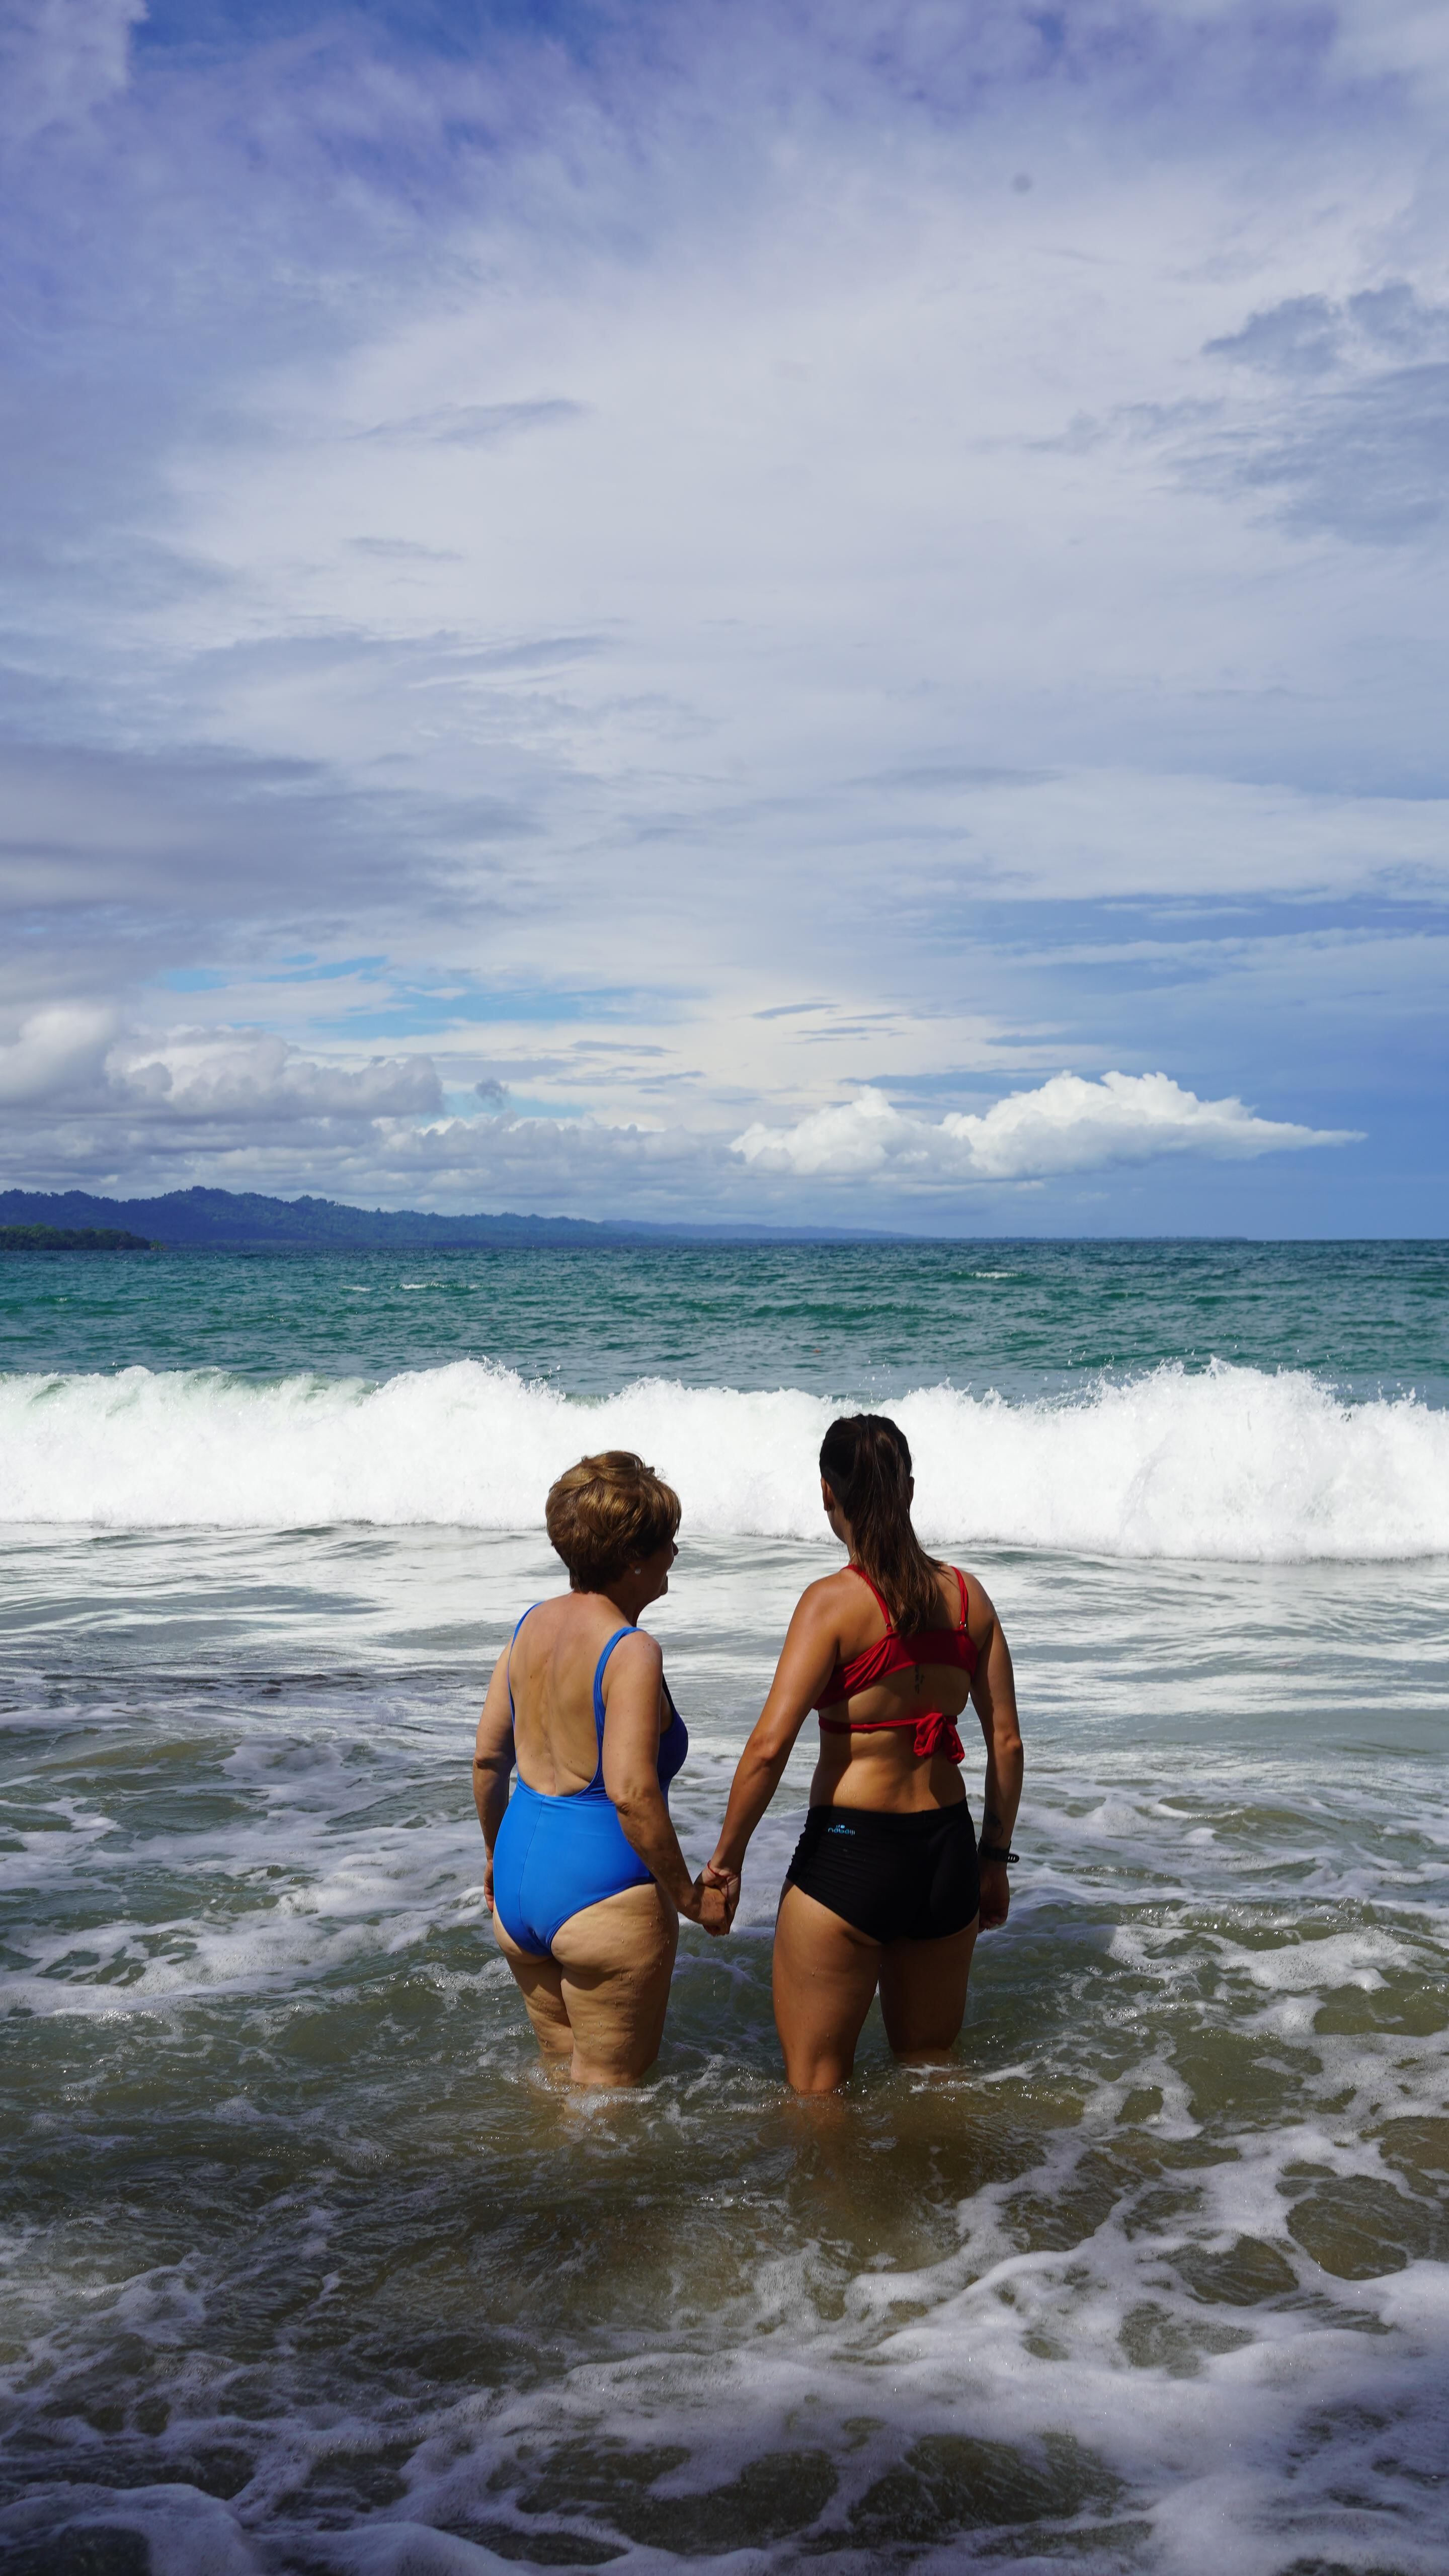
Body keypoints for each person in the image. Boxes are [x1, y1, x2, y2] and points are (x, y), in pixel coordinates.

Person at [704, 1413, 1022, 2093]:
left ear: (828, 1493)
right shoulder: (969, 1599)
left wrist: (725, 1863)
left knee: (817, 2094)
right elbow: (1006, 1742)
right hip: (946, 1856)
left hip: (851, 1856)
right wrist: (993, 1860)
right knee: (931, 2071)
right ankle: (954, 2170)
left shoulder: (831, 1604)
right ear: (910, 1490)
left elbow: (768, 1747)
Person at [473, 1451, 736, 2086]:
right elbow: (631, 1793)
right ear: (633, 1558)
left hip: (519, 1879)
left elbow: (487, 1760)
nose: (675, 1552)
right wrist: (689, 1896)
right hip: (603, 1892)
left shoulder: (527, 1627)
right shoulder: (631, 1651)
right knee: (611, 2108)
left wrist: (494, 1854)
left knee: (559, 2084)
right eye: (667, 1541)